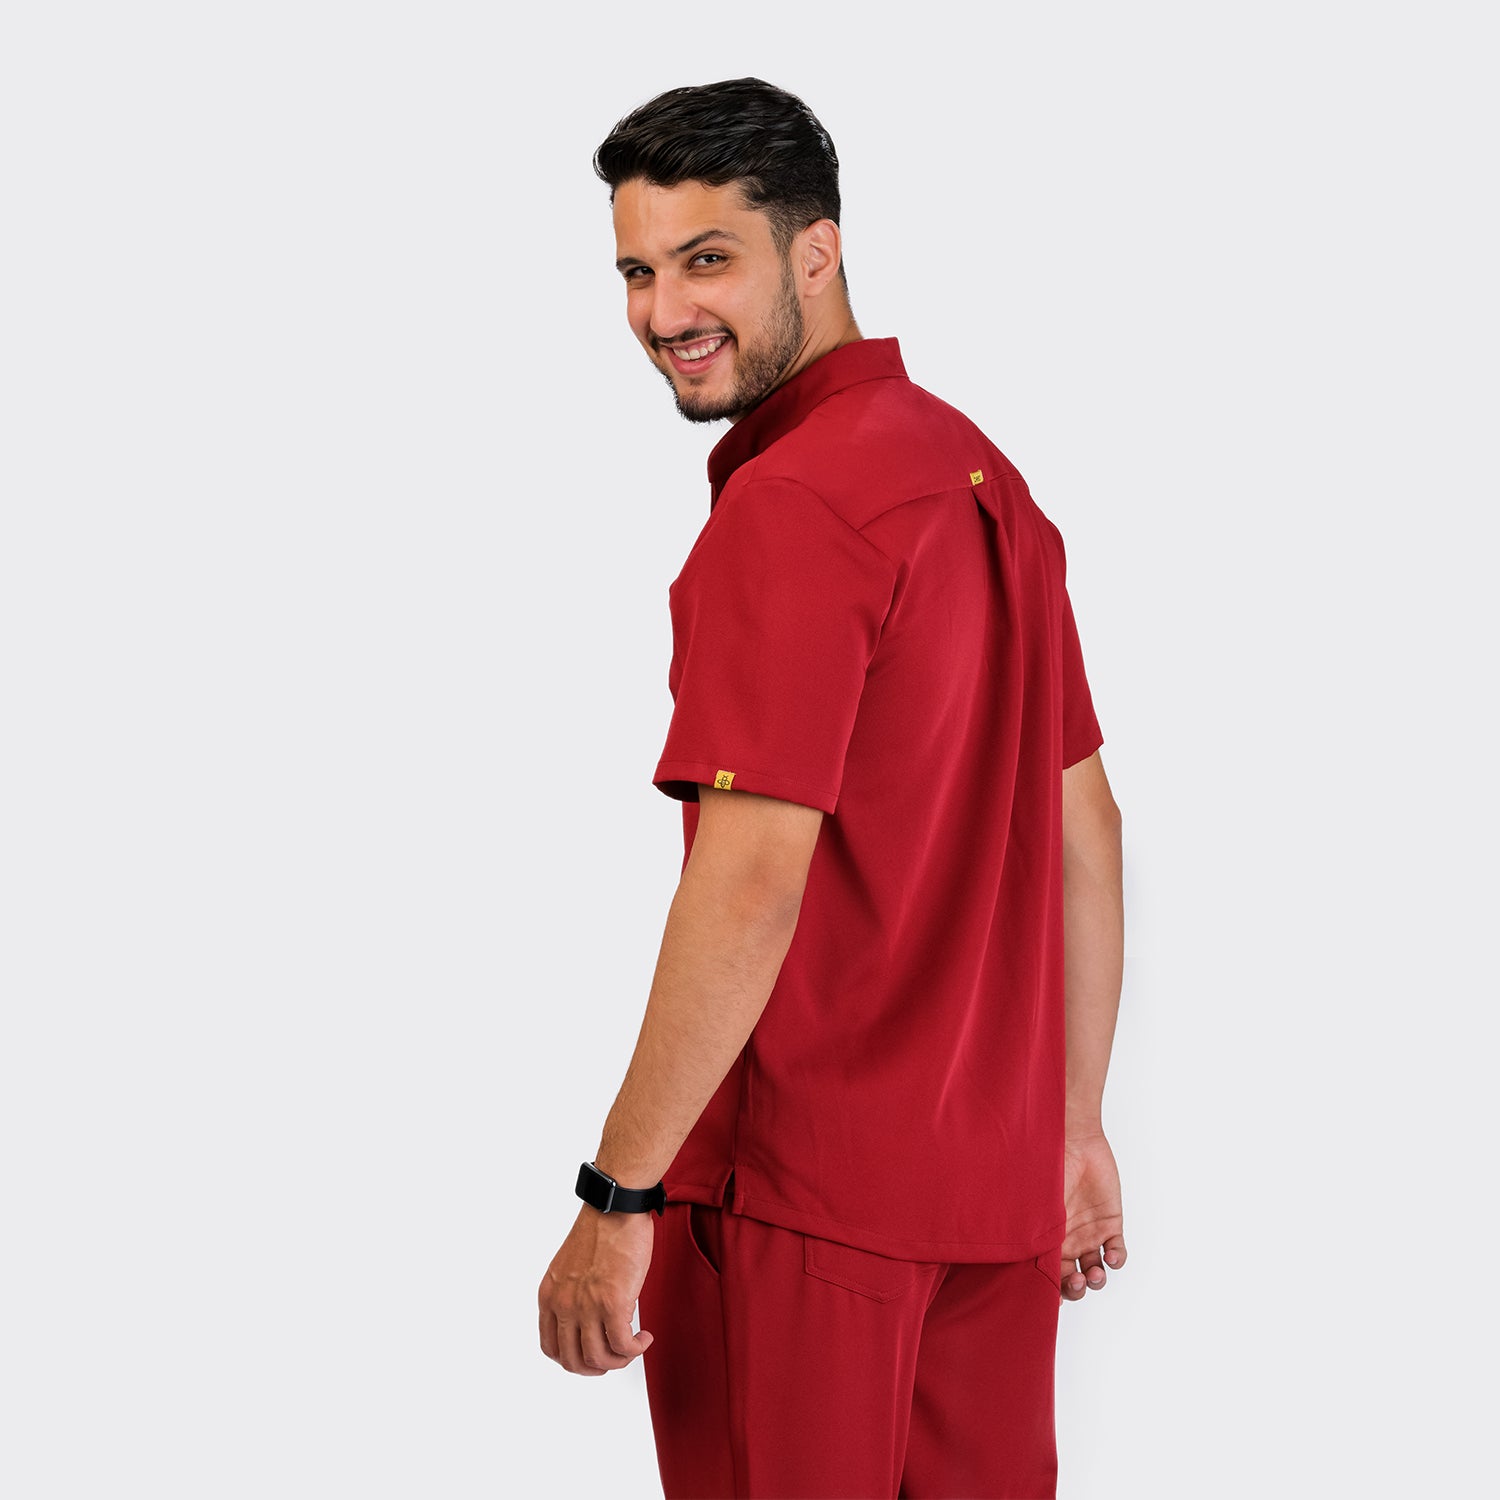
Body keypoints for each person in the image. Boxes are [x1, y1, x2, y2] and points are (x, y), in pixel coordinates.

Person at [538, 77, 1127, 1500]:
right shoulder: (982, 479)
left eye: (707, 259)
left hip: (801, 1212)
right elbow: (1086, 828)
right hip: (990, 1207)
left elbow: (749, 882)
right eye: (636, 271)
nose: (665, 310)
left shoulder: (793, 506)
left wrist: (618, 1195)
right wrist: (1071, 1131)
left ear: (819, 252)